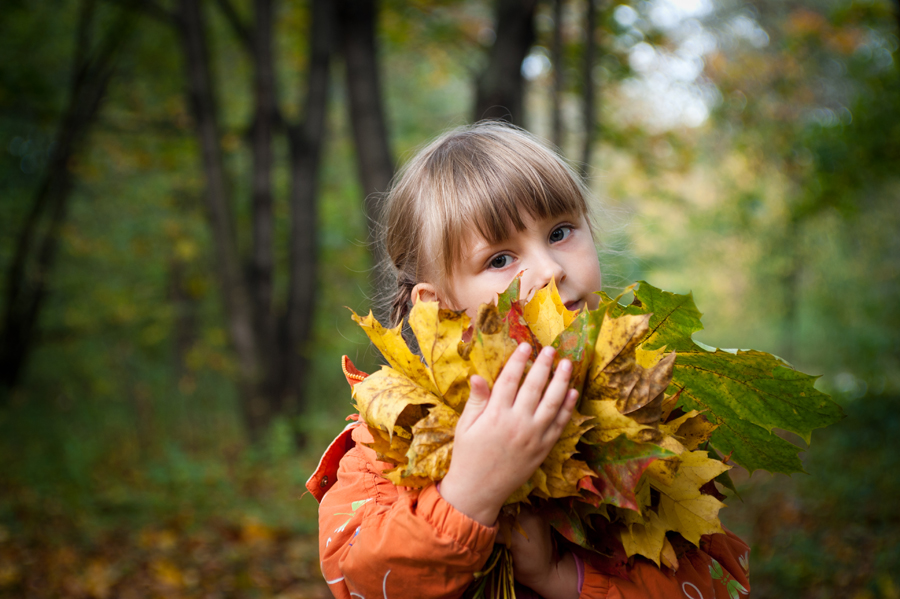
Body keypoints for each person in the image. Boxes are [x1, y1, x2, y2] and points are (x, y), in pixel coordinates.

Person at [307, 122, 750, 599]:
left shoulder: (651, 409)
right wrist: (470, 492)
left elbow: (709, 583)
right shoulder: (392, 436)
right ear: (436, 305)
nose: (550, 270)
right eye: (499, 260)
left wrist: (565, 580)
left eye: (560, 232)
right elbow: (363, 579)